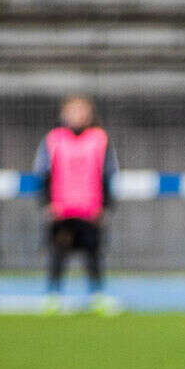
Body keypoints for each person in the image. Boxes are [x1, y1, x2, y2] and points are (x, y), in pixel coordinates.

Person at [34, 95, 119, 314]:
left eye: (81, 111)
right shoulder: (54, 139)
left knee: (93, 251)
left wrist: (107, 205)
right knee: (58, 251)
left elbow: (108, 173)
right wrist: (46, 203)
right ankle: (53, 295)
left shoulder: (100, 139)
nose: (77, 115)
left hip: (90, 207)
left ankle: (97, 295)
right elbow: (43, 173)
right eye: (72, 111)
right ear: (63, 114)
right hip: (62, 208)